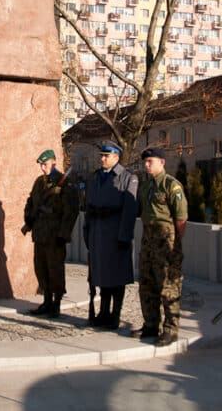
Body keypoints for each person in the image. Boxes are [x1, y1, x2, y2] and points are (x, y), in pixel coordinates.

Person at [132, 147, 188, 347]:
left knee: (168, 286)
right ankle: (150, 324)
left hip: (166, 242)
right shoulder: (146, 187)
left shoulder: (171, 185)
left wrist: (174, 246)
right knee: (147, 283)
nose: (147, 165)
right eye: (145, 162)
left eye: (150, 162)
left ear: (162, 162)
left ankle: (170, 329)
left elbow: (181, 219)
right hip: (148, 240)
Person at [83, 140, 138, 330]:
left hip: (115, 233)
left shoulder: (127, 177)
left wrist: (124, 236)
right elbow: (89, 207)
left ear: (116, 157)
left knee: (117, 277)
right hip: (98, 233)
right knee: (101, 275)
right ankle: (103, 312)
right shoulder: (96, 177)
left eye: (106, 156)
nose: (103, 159)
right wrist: (87, 232)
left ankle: (115, 315)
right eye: (102, 156)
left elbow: (130, 210)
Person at [23, 149, 79, 318]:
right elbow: (31, 202)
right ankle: (46, 300)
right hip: (40, 234)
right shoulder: (39, 182)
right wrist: (28, 220)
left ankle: (57, 303)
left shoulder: (65, 183)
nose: (42, 168)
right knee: (41, 268)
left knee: (55, 270)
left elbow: (71, 211)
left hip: (55, 235)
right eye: (41, 164)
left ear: (54, 162)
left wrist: (63, 233)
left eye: (45, 164)